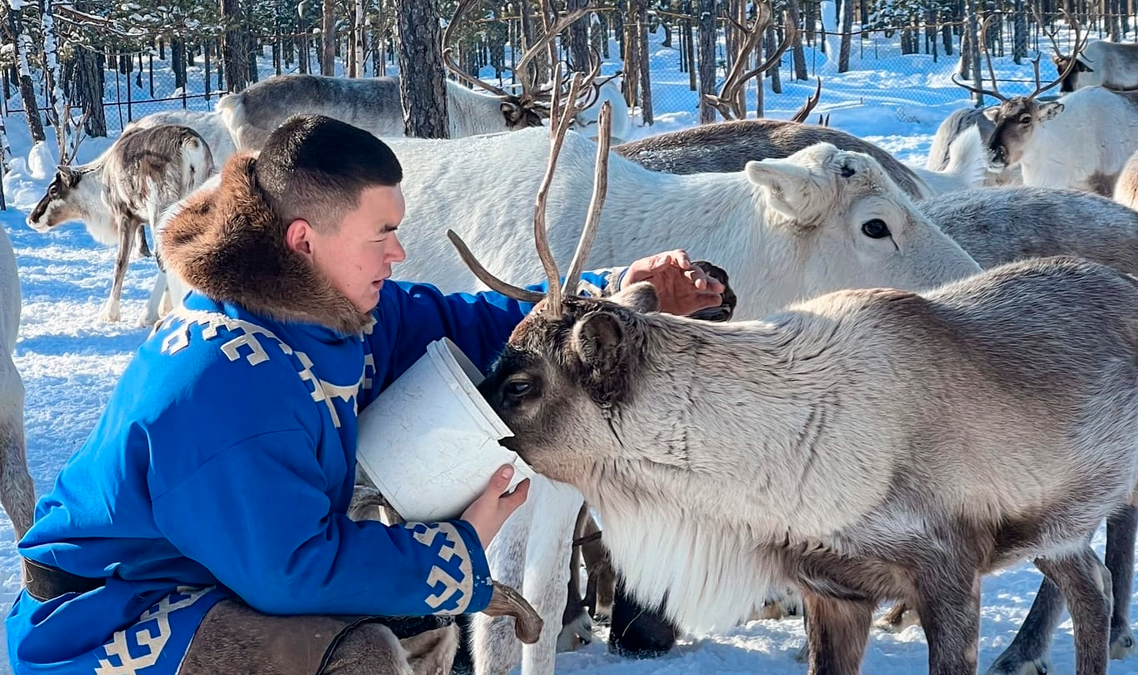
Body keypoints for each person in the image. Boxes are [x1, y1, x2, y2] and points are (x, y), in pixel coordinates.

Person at [6, 114, 725, 675]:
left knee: (416, 614)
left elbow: (464, 326)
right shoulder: (225, 385)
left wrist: (612, 291)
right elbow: (297, 572)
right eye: (381, 233)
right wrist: (459, 547)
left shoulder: (314, 313)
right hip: (102, 620)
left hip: (207, 575)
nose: (398, 252)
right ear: (302, 241)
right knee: (361, 656)